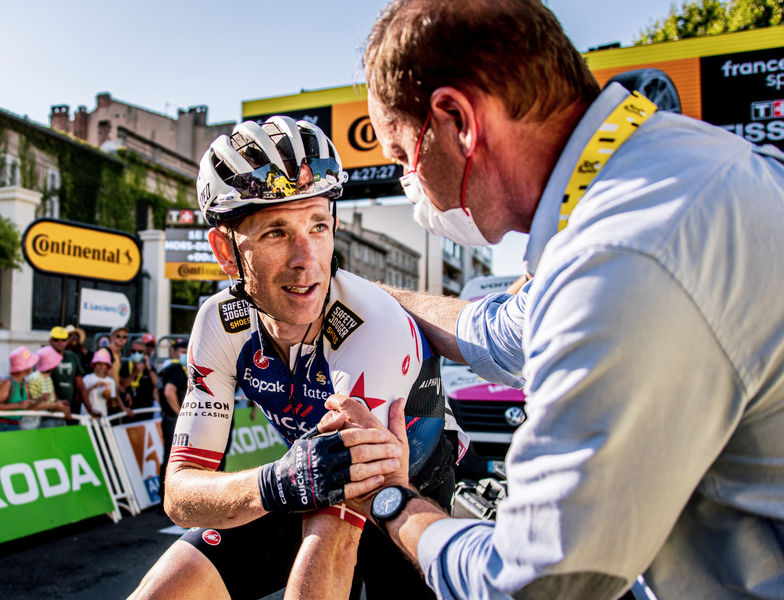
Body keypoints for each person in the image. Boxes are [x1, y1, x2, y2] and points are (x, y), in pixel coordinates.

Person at [316, 1, 784, 599]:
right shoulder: (666, 170)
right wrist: (363, 292)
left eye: (403, 156)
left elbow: (531, 583)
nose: (411, 182)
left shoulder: (620, 256)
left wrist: (393, 501)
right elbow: (502, 333)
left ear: (457, 119)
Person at [130, 116, 461, 600]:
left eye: (318, 226)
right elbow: (181, 496)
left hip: (410, 494)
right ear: (226, 250)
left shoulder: (371, 330)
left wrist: (290, 481)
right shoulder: (220, 325)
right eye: (276, 233)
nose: (306, 258)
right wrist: (274, 483)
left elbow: (337, 535)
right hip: (308, 482)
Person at [155, 338, 187, 501]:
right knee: (174, 459)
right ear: (174, 352)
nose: (186, 354)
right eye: (183, 351)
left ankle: (166, 498)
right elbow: (169, 392)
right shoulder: (177, 370)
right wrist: (181, 414)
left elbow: (159, 390)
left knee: (170, 458)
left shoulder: (168, 369)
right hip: (174, 421)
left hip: (168, 418)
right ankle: (169, 499)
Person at [0, 346, 39, 433]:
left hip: (15, 425)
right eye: (30, 364)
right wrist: (19, 405)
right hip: (1, 426)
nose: (32, 366)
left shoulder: (23, 383)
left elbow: (27, 404)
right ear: (24, 367)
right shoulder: (6, 383)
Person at [25, 345, 73, 428]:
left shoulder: (48, 378)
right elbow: (33, 404)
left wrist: (59, 403)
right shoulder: (34, 378)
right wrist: (56, 405)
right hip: (42, 419)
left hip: (54, 415)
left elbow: (52, 399)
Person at [47, 326, 87, 421]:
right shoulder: (45, 355)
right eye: (56, 339)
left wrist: (90, 408)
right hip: (50, 411)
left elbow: (80, 385)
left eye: (63, 340)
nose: (60, 342)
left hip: (70, 406)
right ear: (50, 340)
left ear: (67, 340)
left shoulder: (73, 356)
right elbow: (44, 383)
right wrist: (58, 404)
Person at [82, 348, 132, 419]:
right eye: (98, 363)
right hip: (86, 416)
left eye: (103, 364)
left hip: (103, 416)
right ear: (94, 365)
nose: (101, 366)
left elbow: (112, 400)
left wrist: (107, 396)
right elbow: (82, 396)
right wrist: (94, 386)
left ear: (107, 366)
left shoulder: (110, 381)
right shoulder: (87, 378)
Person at [122, 334, 158, 410]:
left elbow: (156, 383)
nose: (136, 354)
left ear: (144, 353)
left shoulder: (149, 367)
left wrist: (148, 368)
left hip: (146, 407)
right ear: (130, 352)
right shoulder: (124, 365)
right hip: (129, 407)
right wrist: (135, 373)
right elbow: (122, 385)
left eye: (140, 352)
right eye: (133, 351)